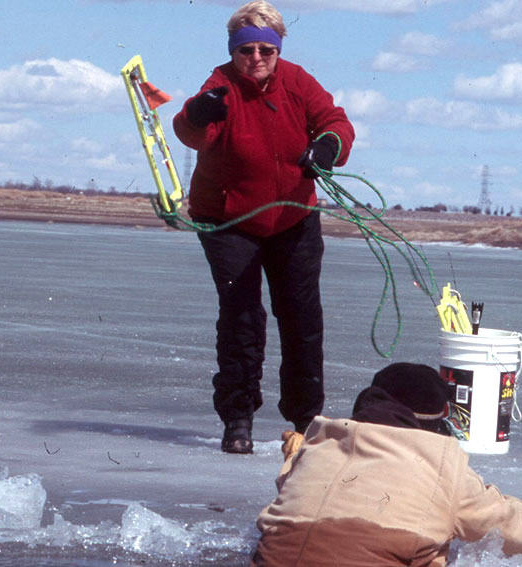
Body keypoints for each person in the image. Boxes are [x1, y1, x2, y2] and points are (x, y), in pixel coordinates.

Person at [173, 1, 355, 453]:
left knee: (301, 317)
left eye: (265, 51)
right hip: (228, 219)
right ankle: (238, 419)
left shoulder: (297, 81)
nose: (255, 58)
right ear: (233, 51)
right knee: (242, 317)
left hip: (293, 217)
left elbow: (335, 122)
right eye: (246, 50)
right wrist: (199, 113)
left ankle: (306, 420)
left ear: (278, 50)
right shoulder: (221, 85)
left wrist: (327, 148)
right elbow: (190, 131)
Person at [252, 362, 522, 566]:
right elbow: (506, 524)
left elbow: (292, 484)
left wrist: (297, 453)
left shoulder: (320, 443)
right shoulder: (441, 467)